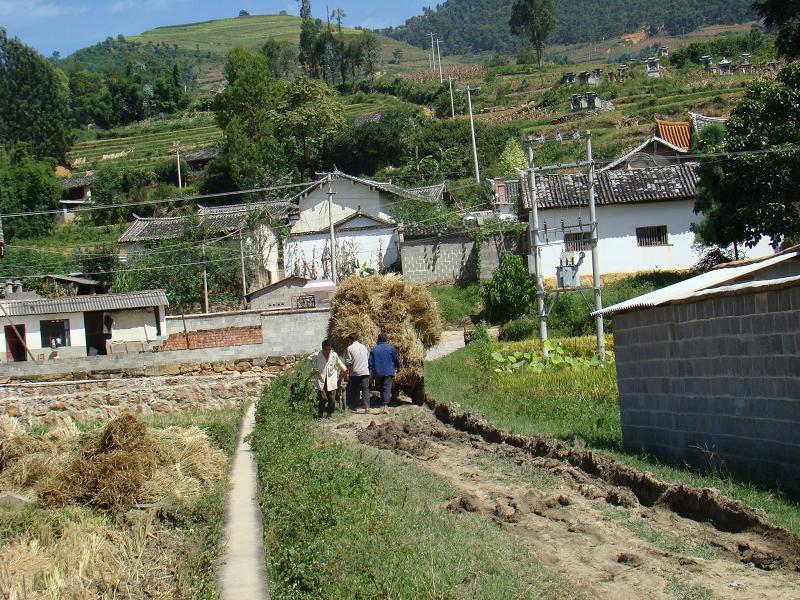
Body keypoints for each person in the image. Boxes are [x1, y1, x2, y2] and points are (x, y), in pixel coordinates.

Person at [308, 339, 347, 418]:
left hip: (331, 380)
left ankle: (329, 414)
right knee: (323, 399)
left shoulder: (334, 355)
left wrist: (344, 368)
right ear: (323, 348)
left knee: (332, 399)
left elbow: (339, 363)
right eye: (326, 349)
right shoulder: (318, 355)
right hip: (321, 379)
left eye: (329, 349)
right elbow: (309, 359)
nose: (328, 351)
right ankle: (320, 412)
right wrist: (312, 369)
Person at [368, 333, 402, 414]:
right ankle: (386, 407)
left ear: (378, 339)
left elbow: (370, 363)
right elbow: (396, 360)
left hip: (378, 373)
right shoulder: (390, 348)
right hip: (388, 372)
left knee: (382, 387)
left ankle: (384, 403)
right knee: (387, 388)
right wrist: (399, 367)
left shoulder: (374, 349)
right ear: (386, 340)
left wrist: (370, 372)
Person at [346, 333, 370, 413]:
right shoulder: (364, 347)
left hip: (355, 372)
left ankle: (355, 407)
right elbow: (367, 358)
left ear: (350, 340)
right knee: (365, 389)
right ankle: (367, 407)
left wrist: (348, 372)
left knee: (355, 389)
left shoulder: (349, 348)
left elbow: (349, 362)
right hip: (365, 371)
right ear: (357, 339)